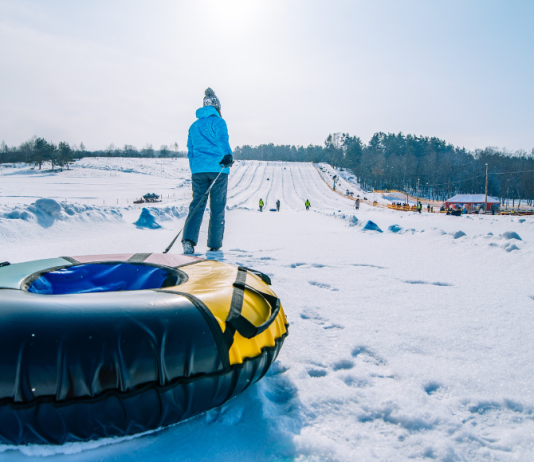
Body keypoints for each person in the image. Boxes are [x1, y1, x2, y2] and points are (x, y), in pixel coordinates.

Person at [182, 88, 233, 254]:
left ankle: (188, 241)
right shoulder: (218, 122)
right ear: (217, 107)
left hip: (198, 171)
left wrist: (195, 167)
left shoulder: (194, 126)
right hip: (219, 169)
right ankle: (214, 244)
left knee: (197, 205)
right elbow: (222, 139)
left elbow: (190, 149)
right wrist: (227, 155)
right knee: (217, 207)